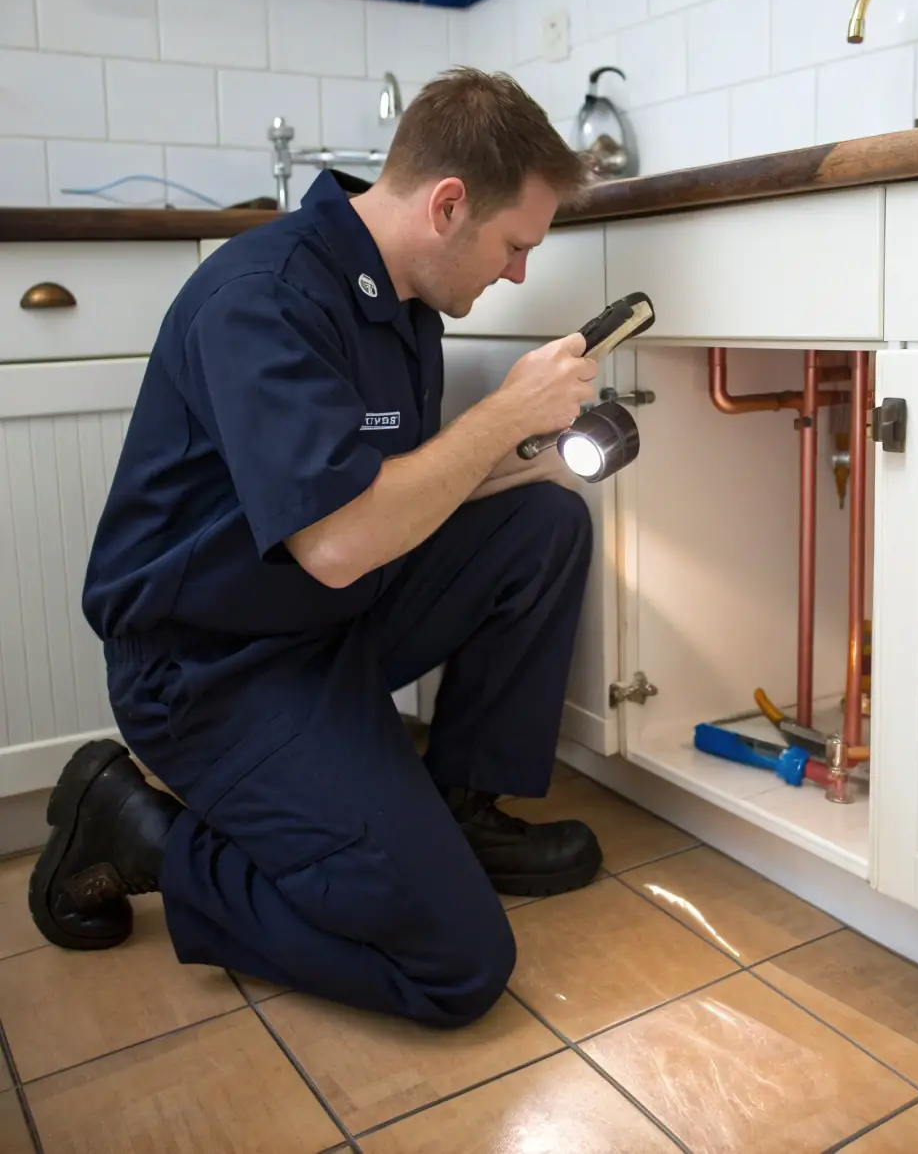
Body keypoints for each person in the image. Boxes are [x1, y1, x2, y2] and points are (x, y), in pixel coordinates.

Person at [28, 67, 604, 1029]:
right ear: (449, 205)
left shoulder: (404, 296)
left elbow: (385, 496)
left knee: (544, 525)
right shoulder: (265, 297)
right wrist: (504, 408)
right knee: (459, 964)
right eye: (514, 245)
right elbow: (338, 540)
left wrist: (524, 458)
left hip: (328, 616)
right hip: (212, 670)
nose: (516, 273)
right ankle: (141, 836)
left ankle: (459, 812)